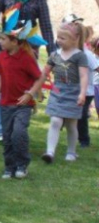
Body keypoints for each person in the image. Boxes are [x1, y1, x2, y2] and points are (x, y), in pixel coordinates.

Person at [0, 18, 42, 179]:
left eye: (2, 39)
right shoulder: (1, 57)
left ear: (14, 41)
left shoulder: (26, 57)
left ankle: (22, 165)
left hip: (23, 105)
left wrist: (30, 93)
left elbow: (39, 78)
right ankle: (9, 167)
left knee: (19, 133)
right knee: (7, 137)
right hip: (5, 104)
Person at [27, 21, 89, 163]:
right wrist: (34, 90)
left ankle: (71, 152)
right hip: (58, 91)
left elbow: (84, 76)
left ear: (75, 38)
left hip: (74, 92)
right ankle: (50, 152)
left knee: (71, 124)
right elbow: (44, 74)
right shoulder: (54, 55)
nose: (58, 40)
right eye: (58, 37)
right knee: (55, 121)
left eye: (63, 38)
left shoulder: (79, 56)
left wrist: (82, 93)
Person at [77, 25, 98, 147]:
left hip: (87, 91)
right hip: (73, 90)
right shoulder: (71, 52)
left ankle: (84, 140)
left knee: (81, 115)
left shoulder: (87, 54)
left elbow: (97, 67)